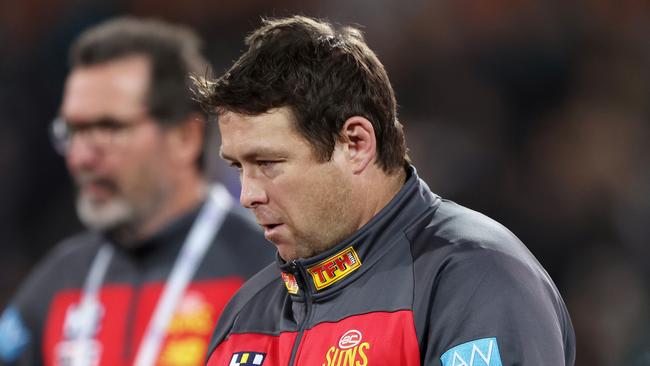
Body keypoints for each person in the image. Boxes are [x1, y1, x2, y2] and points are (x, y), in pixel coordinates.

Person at [194, 15, 576, 366]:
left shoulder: (475, 278)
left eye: (268, 164)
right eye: (237, 167)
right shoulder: (246, 315)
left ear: (356, 144)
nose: (247, 196)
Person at [0, 17, 274, 366]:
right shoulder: (58, 280)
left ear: (183, 137)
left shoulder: (265, 271)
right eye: (72, 131)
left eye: (108, 127)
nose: (82, 156)